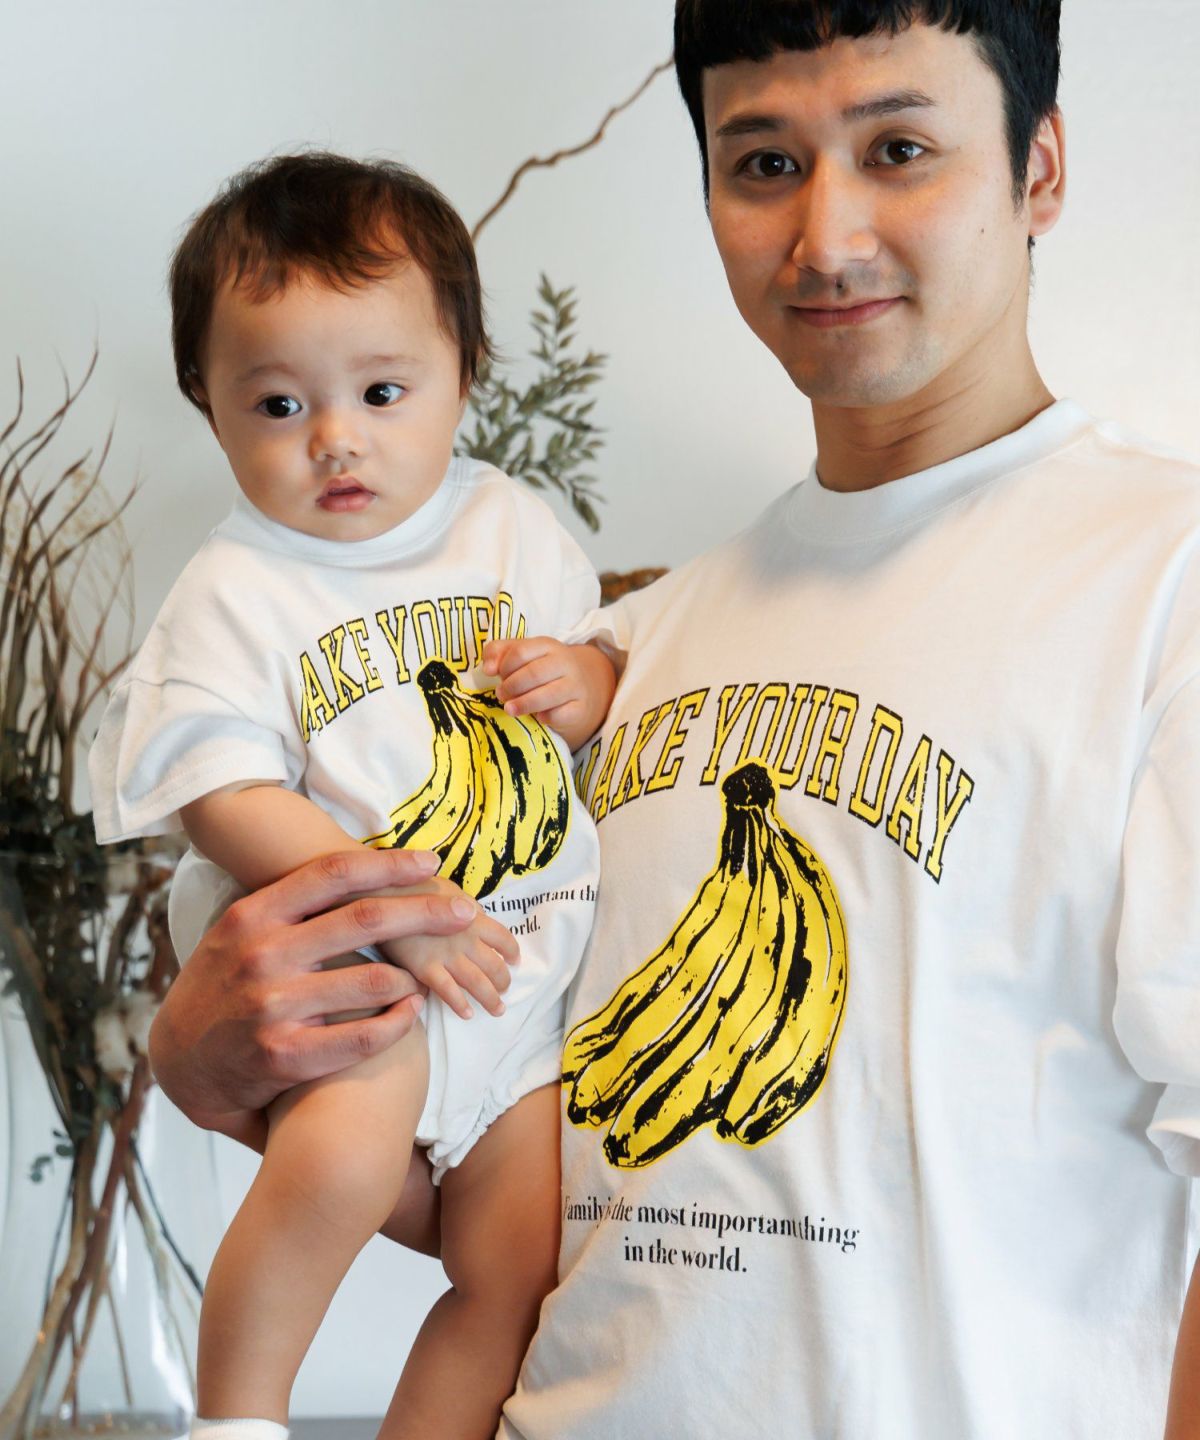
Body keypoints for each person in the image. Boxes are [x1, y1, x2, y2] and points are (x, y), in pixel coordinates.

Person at [146, 5, 1200, 1438]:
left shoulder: (1164, 581)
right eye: (763, 163)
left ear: (1041, 169)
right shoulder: (621, 645)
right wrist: (209, 1065)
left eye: (900, 149)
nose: (826, 236)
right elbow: (522, 1166)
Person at [90, 152, 616, 1440]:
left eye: (383, 392)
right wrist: (395, 912)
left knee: (516, 1269)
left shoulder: (511, 528)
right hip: (361, 978)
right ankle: (239, 1418)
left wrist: (587, 681)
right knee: (335, 1168)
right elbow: (220, 794)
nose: (335, 438)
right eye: (277, 404)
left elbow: (597, 665)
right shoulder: (236, 589)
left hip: (520, 990)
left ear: (465, 372)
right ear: (208, 403)